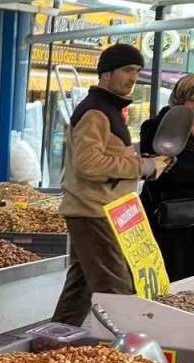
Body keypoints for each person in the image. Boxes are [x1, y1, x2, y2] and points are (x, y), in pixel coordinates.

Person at [52, 43, 169, 326]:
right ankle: (126, 360)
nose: (133, 77)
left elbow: (108, 157)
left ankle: (52, 345)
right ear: (106, 73)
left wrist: (146, 163)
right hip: (94, 213)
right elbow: (89, 164)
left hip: (103, 212)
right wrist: (143, 166)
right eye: (127, 70)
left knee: (79, 290)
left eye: (138, 71)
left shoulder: (108, 109)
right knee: (117, 290)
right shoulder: (95, 112)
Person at [140, 74, 194, 282]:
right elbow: (164, 173)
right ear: (180, 101)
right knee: (172, 281)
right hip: (168, 222)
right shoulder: (157, 129)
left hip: (188, 223)